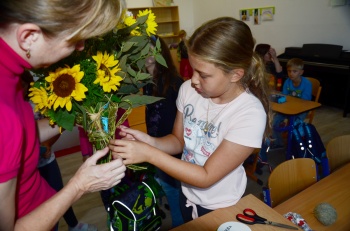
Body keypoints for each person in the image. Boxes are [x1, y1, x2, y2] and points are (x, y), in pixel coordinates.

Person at [109, 17, 272, 222]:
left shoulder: (249, 114)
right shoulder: (189, 91)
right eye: (194, 69)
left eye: (203, 75)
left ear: (235, 75)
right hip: (187, 194)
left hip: (221, 206)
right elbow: (178, 142)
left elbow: (205, 176)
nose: (193, 79)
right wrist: (148, 141)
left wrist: (149, 154)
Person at [0, 1, 127, 230]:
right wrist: (79, 185)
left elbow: (21, 135)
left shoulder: (10, 74)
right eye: (75, 39)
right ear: (29, 36)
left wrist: (76, 119)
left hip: (41, 205)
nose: (80, 47)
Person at [21, 71, 98, 231]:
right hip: (30, 170)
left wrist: (48, 144)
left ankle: (73, 225)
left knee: (57, 191)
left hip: (46, 159)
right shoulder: (14, 108)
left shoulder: (36, 102)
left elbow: (49, 126)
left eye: (22, 85)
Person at [144, 35, 184, 227]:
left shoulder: (174, 83)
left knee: (172, 188)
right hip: (156, 143)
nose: (142, 53)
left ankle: (179, 224)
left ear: (160, 52)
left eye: (148, 48)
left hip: (172, 145)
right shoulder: (147, 82)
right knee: (165, 184)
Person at [271, 58, 312, 148]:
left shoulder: (307, 84)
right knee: (274, 122)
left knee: (295, 124)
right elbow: (285, 96)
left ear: (301, 72)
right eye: (289, 71)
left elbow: (305, 101)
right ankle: (279, 143)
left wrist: (291, 102)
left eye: (294, 71)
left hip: (301, 110)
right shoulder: (287, 82)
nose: (291, 73)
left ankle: (296, 143)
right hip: (288, 109)